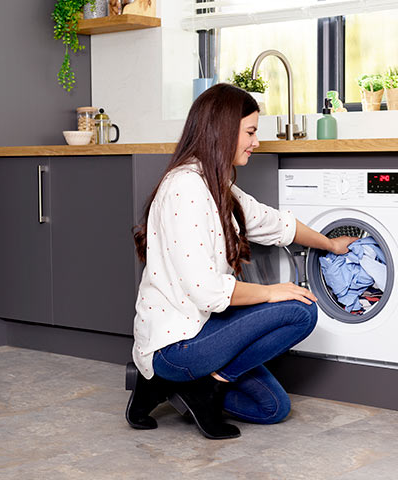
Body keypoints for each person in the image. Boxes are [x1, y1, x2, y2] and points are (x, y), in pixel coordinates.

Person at [125, 83, 356, 439]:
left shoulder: (216, 184)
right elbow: (206, 291)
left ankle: (187, 385)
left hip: (205, 331)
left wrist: (330, 244)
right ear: (222, 131)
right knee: (301, 309)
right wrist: (270, 292)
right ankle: (181, 379)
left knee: (272, 409)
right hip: (175, 343)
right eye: (250, 132)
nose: (256, 142)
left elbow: (274, 223)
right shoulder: (185, 188)